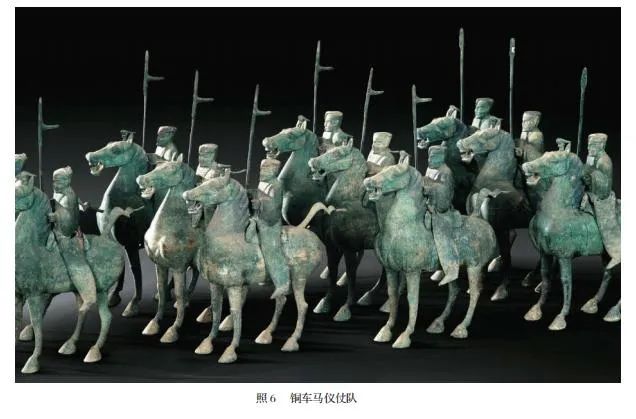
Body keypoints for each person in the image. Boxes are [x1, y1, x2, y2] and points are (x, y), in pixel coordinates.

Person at [47, 166, 97, 313]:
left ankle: (88, 295)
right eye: (53, 180)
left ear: (67, 181)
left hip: (67, 234)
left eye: (58, 181)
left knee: (74, 263)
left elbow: (69, 221)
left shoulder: (69, 196)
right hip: (55, 230)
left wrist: (56, 216)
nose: (54, 183)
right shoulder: (59, 193)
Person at [422, 144, 462, 286]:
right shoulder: (430, 169)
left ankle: (450, 267)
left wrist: (431, 186)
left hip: (440, 208)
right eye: (429, 156)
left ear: (442, 157)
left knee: (441, 233)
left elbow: (446, 193)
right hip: (428, 204)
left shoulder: (446, 172)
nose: (430, 160)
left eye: (434, 157)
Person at [581, 133, 620, 269]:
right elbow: (585, 173)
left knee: (605, 223)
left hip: (602, 197)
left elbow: (605, 187)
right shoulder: (592, 157)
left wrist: (591, 174)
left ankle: (616, 252)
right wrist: (586, 171)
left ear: (602, 145)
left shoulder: (604, 161)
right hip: (590, 191)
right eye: (588, 145)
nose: (589, 148)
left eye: (593, 145)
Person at [253, 158, 290, 299]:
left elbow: (274, 207)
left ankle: (283, 283)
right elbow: (261, 197)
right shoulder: (262, 183)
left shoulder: (276, 185)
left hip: (271, 222)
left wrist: (260, 205)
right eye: (261, 168)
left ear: (274, 171)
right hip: (260, 218)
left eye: (265, 169)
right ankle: (266, 274)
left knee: (272, 251)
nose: (261, 172)